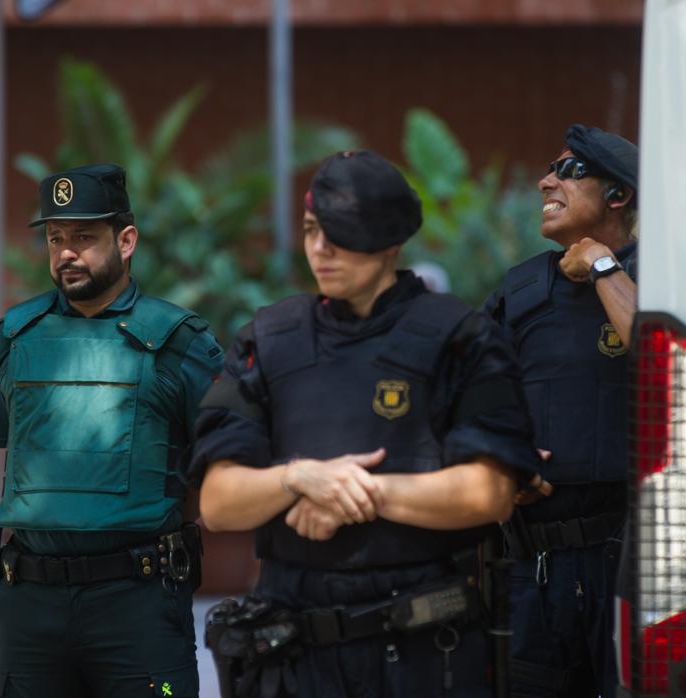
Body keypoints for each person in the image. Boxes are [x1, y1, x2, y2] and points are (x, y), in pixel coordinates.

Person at [191, 150, 541, 698]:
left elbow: (488, 493)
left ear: (392, 240)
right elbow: (218, 502)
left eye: (341, 231)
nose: (319, 248)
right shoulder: (267, 338)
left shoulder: (462, 338)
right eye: (311, 229)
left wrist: (359, 493)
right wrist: (298, 478)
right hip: (295, 659)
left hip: (426, 655)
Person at [0, 163, 222, 698]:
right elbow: (14, 461)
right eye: (55, 237)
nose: (66, 252)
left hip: (135, 600)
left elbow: (223, 464)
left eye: (84, 236)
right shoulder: (14, 337)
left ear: (127, 240)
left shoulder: (180, 341)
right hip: (30, 604)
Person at [482, 125, 639, 698]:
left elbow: (661, 356)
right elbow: (470, 395)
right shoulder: (522, 289)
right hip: (536, 564)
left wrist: (602, 265)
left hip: (633, 562)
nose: (546, 181)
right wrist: (501, 456)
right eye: (550, 170)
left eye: (568, 172)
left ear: (617, 195)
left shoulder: (667, 275)